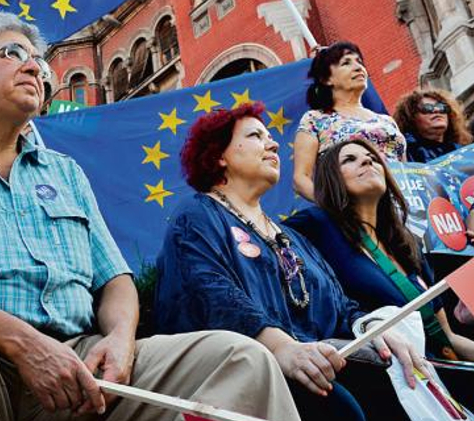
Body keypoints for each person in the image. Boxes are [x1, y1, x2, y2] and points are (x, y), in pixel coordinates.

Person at [0, 13, 300, 421]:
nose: (35, 68)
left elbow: (116, 280)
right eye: (13, 54)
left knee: (242, 359)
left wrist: (120, 340)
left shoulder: (67, 173)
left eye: (40, 64)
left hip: (80, 370)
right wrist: (25, 345)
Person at [154, 103, 428, 421]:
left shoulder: (292, 238)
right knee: (340, 405)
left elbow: (339, 305)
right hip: (244, 374)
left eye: (270, 136)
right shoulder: (198, 215)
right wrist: (281, 347)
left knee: (398, 378)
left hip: (318, 361)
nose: (272, 144)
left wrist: (372, 328)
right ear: (220, 155)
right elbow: (210, 292)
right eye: (256, 136)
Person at [289, 139, 474, 361]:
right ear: (331, 179)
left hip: (438, 371)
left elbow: (449, 339)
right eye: (350, 160)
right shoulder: (316, 224)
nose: (367, 160)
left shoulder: (409, 245)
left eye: (373, 159)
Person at [293, 42, 406, 201]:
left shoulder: (387, 121)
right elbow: (301, 178)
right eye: (346, 63)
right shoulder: (315, 119)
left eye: (359, 62)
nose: (358, 67)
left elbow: (406, 170)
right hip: (358, 211)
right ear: (327, 79)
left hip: (405, 209)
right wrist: (336, 211)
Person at [393, 89, 472, 163]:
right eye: (427, 108)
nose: (436, 110)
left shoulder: (463, 151)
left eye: (441, 107)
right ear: (411, 117)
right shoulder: (402, 153)